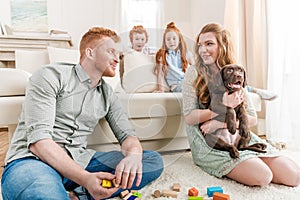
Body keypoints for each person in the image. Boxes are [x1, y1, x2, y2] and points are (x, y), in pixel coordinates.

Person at [1, 27, 163, 200]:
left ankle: (80, 194)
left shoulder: (107, 93)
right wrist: (86, 179)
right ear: (90, 52)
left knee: (151, 161)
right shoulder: (51, 75)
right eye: (111, 51)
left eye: (119, 54)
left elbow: (127, 135)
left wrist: (134, 156)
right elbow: (39, 144)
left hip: (81, 162)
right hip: (34, 162)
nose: (118, 58)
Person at [182, 23, 300, 187]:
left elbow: (251, 118)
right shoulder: (193, 72)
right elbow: (189, 117)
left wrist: (221, 122)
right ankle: (246, 162)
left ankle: (250, 157)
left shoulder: (236, 73)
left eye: (209, 44)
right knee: (263, 176)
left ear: (222, 46)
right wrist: (222, 106)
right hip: (209, 142)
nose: (202, 49)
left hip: (238, 136)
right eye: (200, 45)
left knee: (293, 176)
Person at [154, 21, 194, 93]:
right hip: (177, 86)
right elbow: (160, 74)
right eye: (168, 39)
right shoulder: (163, 56)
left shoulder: (185, 54)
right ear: (165, 42)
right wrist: (161, 89)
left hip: (189, 82)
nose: (171, 41)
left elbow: (195, 69)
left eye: (174, 38)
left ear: (179, 40)